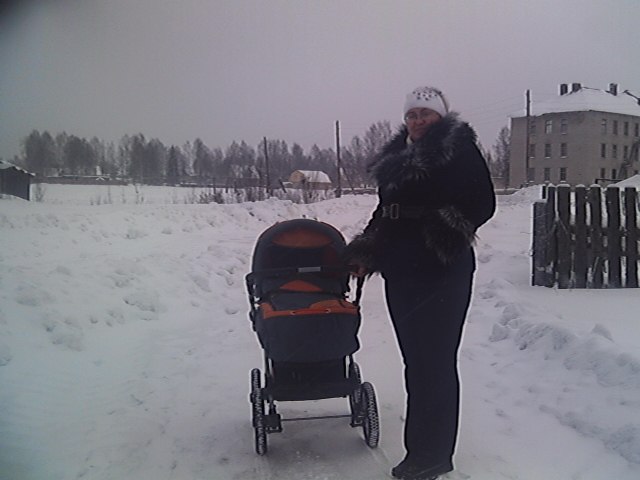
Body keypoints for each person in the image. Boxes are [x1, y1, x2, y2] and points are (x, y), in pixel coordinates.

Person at [343, 86, 496, 480]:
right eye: (412, 114)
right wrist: (366, 250)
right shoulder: (398, 157)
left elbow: (483, 203)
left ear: (440, 116)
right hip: (402, 270)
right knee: (416, 362)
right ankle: (422, 451)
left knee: (435, 362)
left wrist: (442, 233)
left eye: (426, 113)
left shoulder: (458, 149)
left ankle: (432, 456)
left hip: (441, 269)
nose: (418, 120)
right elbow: (386, 211)